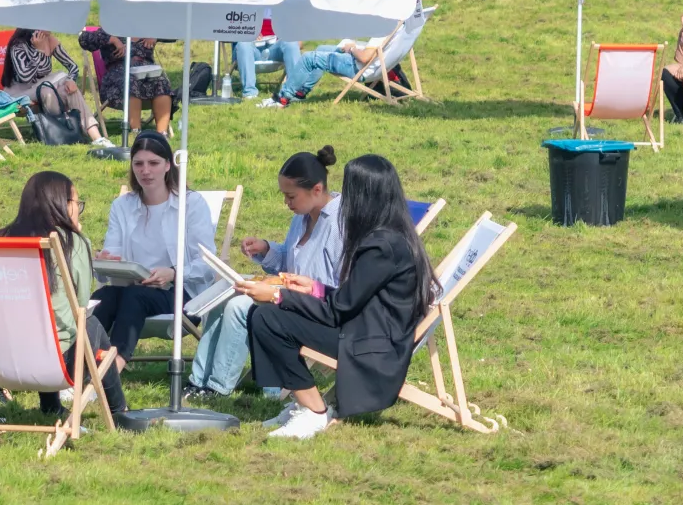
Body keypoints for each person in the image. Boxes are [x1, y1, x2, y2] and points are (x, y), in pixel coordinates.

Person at [242, 153, 436, 440]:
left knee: (269, 318)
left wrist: (277, 294)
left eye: (350, 191)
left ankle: (313, 411)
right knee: (264, 314)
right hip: (368, 330)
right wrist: (314, 288)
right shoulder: (390, 236)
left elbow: (338, 310)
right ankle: (303, 403)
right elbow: (353, 297)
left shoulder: (381, 246)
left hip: (374, 345)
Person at [188, 146, 341, 400]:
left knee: (240, 307)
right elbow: (290, 260)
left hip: (316, 306)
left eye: (291, 196)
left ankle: (217, 387)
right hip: (291, 294)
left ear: (316, 189)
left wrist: (287, 289)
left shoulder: (339, 224)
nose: (286, 203)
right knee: (223, 296)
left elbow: (340, 286)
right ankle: (199, 380)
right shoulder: (302, 215)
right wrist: (267, 249)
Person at [0, 171, 129, 421]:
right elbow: (80, 303)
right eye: (77, 203)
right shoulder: (71, 242)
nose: (78, 209)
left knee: (49, 326)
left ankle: (51, 405)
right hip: (55, 364)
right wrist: (77, 238)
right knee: (90, 323)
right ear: (63, 205)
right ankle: (119, 411)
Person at [94, 131, 215, 363]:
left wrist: (174, 273)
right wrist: (106, 261)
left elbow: (207, 265)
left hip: (181, 294)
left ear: (168, 165)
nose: (145, 171)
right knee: (102, 297)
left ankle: (112, 368)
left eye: (153, 163)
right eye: (138, 164)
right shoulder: (122, 206)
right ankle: (80, 364)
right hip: (133, 288)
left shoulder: (191, 204)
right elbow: (112, 254)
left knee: (135, 296)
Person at [3, 27, 113, 146]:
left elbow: (73, 67)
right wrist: (38, 51)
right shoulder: (18, 45)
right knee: (60, 77)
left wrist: (70, 80)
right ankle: (64, 133)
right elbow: (25, 77)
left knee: (57, 90)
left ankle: (96, 137)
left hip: (44, 90)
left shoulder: (50, 40)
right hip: (20, 96)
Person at [77, 28, 173, 134]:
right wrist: (113, 39)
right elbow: (83, 39)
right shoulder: (110, 29)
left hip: (147, 73)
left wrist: (155, 36)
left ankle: (162, 134)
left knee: (161, 82)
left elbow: (174, 33)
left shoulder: (145, 29)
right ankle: (135, 131)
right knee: (130, 82)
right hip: (118, 76)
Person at [262, 34, 390, 106]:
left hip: (355, 66)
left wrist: (352, 49)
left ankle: (282, 98)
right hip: (364, 64)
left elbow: (364, 58)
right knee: (321, 49)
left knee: (308, 58)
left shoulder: (382, 32)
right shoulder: (395, 31)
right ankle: (300, 92)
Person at [232, 33, 302, 100]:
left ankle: (294, 91)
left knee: (291, 41)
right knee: (244, 43)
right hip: (248, 49)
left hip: (273, 49)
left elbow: (300, 44)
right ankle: (249, 93)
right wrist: (248, 33)